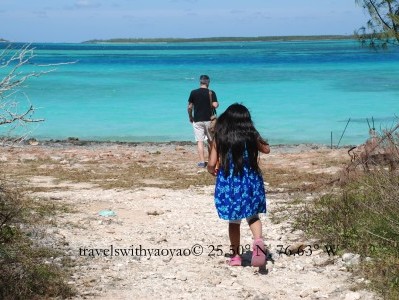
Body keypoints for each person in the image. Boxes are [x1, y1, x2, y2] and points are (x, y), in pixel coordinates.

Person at [207, 103, 270, 267]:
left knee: (234, 221)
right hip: (250, 181)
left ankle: (235, 256)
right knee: (253, 216)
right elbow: (266, 149)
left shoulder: (220, 137)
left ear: (226, 119)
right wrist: (254, 135)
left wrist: (211, 170)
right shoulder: (250, 136)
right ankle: (258, 242)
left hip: (230, 183)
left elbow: (212, 163)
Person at [187, 75, 219, 168]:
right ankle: (211, 160)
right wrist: (216, 103)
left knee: (200, 141)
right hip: (209, 120)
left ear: (200, 82)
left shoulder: (193, 92)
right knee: (211, 141)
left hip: (197, 120)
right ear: (208, 82)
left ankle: (201, 162)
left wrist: (190, 116)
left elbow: (189, 107)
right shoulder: (211, 92)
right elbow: (215, 105)